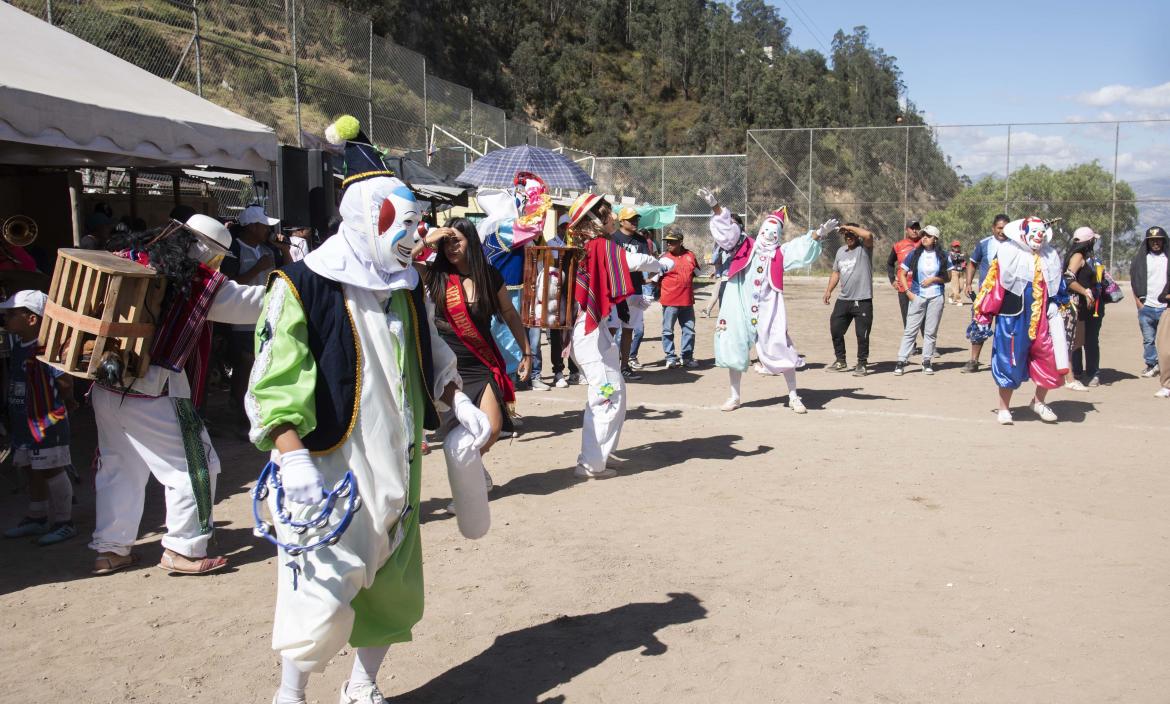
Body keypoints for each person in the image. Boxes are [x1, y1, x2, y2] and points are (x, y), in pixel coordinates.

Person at [248, 118, 485, 704]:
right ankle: (291, 690)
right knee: (320, 585)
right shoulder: (302, 284)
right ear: (366, 218)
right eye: (407, 224)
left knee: (391, 584)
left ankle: (362, 684)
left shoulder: (405, 285)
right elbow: (274, 377)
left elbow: (428, 354)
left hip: (400, 461)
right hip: (333, 464)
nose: (417, 236)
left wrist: (456, 399)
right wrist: (291, 455)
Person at [89, 214, 265, 575]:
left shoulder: (130, 258)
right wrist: (304, 286)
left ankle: (111, 549)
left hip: (105, 383)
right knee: (195, 466)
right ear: (208, 251)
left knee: (119, 468)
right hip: (152, 388)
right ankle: (184, 548)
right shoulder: (192, 280)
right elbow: (248, 302)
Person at [699, 188, 833, 413]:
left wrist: (819, 233)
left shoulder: (780, 253)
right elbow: (727, 234)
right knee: (734, 346)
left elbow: (800, 247)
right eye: (766, 230)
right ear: (760, 231)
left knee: (780, 345)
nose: (769, 235)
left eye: (774, 232)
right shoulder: (744, 245)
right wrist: (715, 206)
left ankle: (793, 396)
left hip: (768, 307)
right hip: (739, 303)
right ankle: (734, 396)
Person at [566, 193, 668, 479]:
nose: (612, 217)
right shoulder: (597, 245)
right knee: (606, 394)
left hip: (590, 330)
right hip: (586, 331)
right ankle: (590, 463)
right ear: (596, 220)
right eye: (607, 213)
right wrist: (659, 264)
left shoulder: (588, 244)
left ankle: (600, 451)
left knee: (615, 390)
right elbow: (630, 261)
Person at [422, 218, 531, 464]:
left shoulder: (489, 275)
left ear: (471, 241)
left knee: (492, 428)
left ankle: (470, 468)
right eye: (446, 242)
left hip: (481, 363)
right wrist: (428, 241)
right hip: (448, 366)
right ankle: (469, 478)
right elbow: (402, 262)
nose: (451, 247)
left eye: (457, 241)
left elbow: (510, 313)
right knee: (455, 431)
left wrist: (526, 351)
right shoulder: (435, 275)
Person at [973, 217, 1069, 425]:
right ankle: (1004, 408)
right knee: (1009, 360)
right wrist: (984, 315)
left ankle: (1039, 401)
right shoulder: (1008, 252)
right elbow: (995, 285)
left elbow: (1057, 285)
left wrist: (1057, 303)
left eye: (1040, 234)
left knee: (1050, 358)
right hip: (1014, 317)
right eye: (1034, 234)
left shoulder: (1050, 255)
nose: (1038, 238)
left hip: (1043, 318)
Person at [1, 291, 77, 546]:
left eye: (12, 314)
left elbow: (65, 381)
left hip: (46, 421)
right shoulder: (18, 345)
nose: (6, 319)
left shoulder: (46, 348)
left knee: (51, 467)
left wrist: (67, 402)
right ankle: (37, 516)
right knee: (32, 467)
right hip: (24, 421)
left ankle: (65, 522)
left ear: (32, 320)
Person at [221, 204, 285, 416]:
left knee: (263, 363)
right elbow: (228, 284)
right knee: (246, 363)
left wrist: (283, 250)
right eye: (263, 225)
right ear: (251, 227)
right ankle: (238, 408)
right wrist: (257, 268)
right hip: (241, 319)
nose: (268, 230)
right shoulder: (234, 249)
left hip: (267, 315)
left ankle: (256, 409)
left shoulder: (269, 250)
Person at [528, 215, 580, 388]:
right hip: (555, 294)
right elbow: (552, 266)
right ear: (559, 228)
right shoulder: (551, 243)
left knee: (573, 331)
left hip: (573, 293)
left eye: (570, 226)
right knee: (556, 333)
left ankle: (575, 371)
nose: (568, 230)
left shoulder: (578, 242)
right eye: (565, 227)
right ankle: (558, 371)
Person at [893, 226, 947, 376]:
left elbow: (947, 277)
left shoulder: (942, 255)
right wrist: (908, 292)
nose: (924, 238)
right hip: (918, 296)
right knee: (910, 330)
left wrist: (934, 279)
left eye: (928, 236)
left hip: (936, 297)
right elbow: (902, 273)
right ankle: (901, 361)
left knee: (930, 332)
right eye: (923, 235)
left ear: (935, 239)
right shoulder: (914, 254)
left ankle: (927, 361)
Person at [822, 222, 874, 376]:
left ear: (857, 235)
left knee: (862, 334)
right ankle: (840, 360)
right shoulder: (840, 252)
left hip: (862, 299)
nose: (848, 237)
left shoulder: (864, 249)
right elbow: (836, 273)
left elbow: (869, 235)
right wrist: (828, 290)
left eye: (851, 234)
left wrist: (849, 227)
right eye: (846, 235)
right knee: (836, 328)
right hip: (844, 299)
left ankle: (862, 363)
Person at [961, 214, 1011, 373]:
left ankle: (1005, 363)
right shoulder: (984, 244)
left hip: (1009, 294)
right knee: (979, 326)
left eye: (1005, 228)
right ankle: (973, 361)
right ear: (993, 228)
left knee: (1007, 329)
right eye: (999, 228)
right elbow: (973, 263)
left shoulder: (1016, 245)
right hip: (987, 295)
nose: (1002, 231)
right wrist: (968, 283)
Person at [611, 206, 652, 377]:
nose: (635, 222)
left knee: (629, 330)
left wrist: (651, 280)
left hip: (634, 290)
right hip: (615, 291)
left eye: (636, 219)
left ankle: (625, 367)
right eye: (631, 219)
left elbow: (646, 263)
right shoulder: (613, 239)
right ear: (621, 221)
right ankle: (610, 367)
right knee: (611, 329)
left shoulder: (641, 241)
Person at [1063, 227, 1105, 391]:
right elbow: (1068, 278)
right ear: (1089, 241)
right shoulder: (1078, 256)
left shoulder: (1090, 257)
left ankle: (1090, 373)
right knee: (1076, 341)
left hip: (1093, 306)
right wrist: (1085, 291)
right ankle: (1074, 374)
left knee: (1089, 339)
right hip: (1078, 305)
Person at [1129, 226, 1169, 378]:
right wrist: (1138, 303)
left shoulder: (1168, 258)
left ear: (1163, 241)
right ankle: (1151, 365)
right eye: (1152, 241)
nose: (1155, 243)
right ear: (1148, 243)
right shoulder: (1141, 260)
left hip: (1165, 307)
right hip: (1146, 306)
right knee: (1148, 340)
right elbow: (1134, 282)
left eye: (1158, 240)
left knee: (1166, 341)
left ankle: (1165, 366)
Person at [658, 228, 699, 368]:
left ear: (680, 242)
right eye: (667, 241)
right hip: (670, 301)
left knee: (689, 330)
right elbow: (655, 278)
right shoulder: (664, 258)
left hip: (687, 301)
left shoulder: (690, 256)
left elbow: (697, 272)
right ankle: (670, 358)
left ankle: (687, 357)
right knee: (668, 330)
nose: (668, 244)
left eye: (672, 242)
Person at [887, 219, 923, 330]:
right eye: (912, 228)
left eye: (917, 228)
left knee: (924, 319)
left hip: (921, 287)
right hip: (904, 287)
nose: (915, 230)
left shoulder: (924, 243)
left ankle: (928, 345)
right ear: (907, 230)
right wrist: (892, 280)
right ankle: (911, 345)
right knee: (907, 318)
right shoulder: (898, 246)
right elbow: (890, 263)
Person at [946, 240, 967, 304]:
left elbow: (963, 261)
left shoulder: (961, 253)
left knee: (961, 287)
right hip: (954, 272)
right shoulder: (950, 253)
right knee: (956, 288)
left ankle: (950, 295)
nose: (956, 248)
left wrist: (964, 264)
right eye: (955, 247)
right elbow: (954, 258)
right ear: (952, 247)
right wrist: (961, 256)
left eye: (958, 246)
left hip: (961, 272)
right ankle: (958, 300)